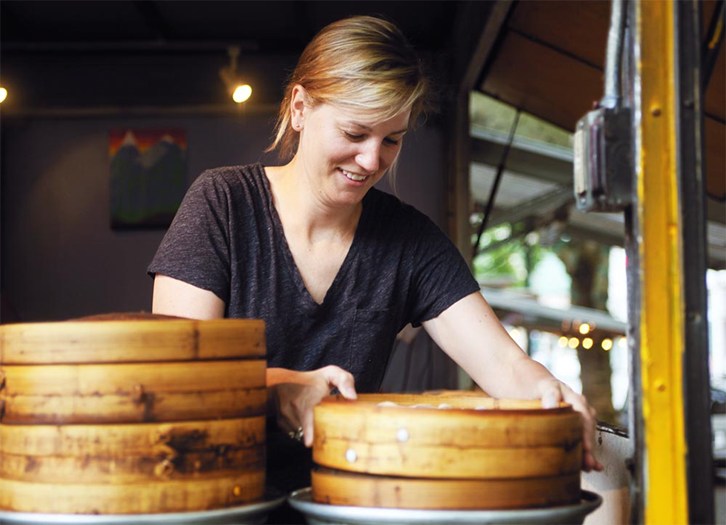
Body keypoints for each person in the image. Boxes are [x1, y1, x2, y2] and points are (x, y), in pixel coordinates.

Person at [148, 13, 603, 505]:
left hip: (345, 503)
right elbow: (176, 379)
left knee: (604, 470)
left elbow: (504, 365)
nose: (371, 161)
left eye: (392, 139)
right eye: (355, 132)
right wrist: (278, 386)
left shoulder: (409, 240)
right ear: (300, 108)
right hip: (215, 500)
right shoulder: (222, 203)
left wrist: (553, 394)